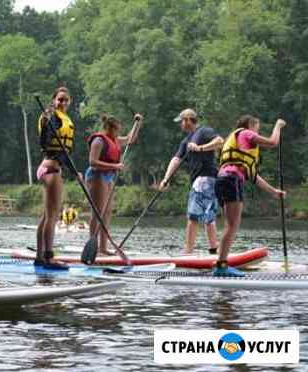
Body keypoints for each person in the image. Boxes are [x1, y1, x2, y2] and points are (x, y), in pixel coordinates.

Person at [213, 116, 286, 276]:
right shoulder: (246, 133)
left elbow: (252, 176)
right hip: (231, 180)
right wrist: (279, 126)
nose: (257, 133)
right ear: (250, 125)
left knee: (230, 225)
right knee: (232, 225)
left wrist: (273, 191)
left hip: (223, 180)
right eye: (257, 128)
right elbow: (273, 142)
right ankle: (221, 266)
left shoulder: (239, 143)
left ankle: (220, 264)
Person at [159, 108, 224, 255]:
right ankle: (214, 250)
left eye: (181, 121)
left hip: (205, 178)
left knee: (193, 216)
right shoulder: (186, 141)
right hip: (206, 180)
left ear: (188, 120)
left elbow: (220, 141)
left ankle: (188, 253)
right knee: (209, 217)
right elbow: (176, 160)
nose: (180, 125)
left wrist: (200, 148)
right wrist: (165, 179)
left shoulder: (203, 131)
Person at [85, 113, 143, 255]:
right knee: (98, 213)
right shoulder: (99, 140)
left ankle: (103, 248)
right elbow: (92, 162)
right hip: (96, 176)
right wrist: (116, 166)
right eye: (117, 129)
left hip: (108, 177)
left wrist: (138, 123)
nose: (118, 132)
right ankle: (94, 247)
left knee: (107, 212)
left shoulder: (115, 139)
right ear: (108, 128)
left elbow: (130, 139)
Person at [35, 86, 75, 269]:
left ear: (70, 101)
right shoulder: (51, 117)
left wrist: (74, 171)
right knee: (52, 216)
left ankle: (40, 255)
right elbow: (45, 142)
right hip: (50, 169)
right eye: (60, 99)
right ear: (53, 100)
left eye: (66, 100)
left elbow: (64, 151)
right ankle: (49, 257)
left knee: (46, 216)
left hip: (49, 168)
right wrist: (48, 125)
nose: (63, 103)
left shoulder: (62, 118)